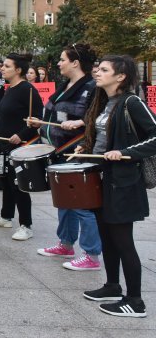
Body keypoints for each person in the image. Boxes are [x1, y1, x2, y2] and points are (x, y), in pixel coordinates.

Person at [72, 55, 155, 317]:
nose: (97, 73)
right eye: (97, 68)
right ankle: (112, 285)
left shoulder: (132, 102)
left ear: (121, 76)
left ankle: (135, 301)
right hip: (103, 179)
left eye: (104, 70)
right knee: (107, 237)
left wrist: (125, 151)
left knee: (123, 241)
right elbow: (103, 140)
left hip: (124, 183)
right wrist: (86, 149)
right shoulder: (106, 102)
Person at [27, 44, 100, 271]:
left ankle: (92, 254)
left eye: (62, 59)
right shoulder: (64, 86)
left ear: (75, 63)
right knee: (64, 200)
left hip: (77, 150)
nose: (59, 63)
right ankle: (66, 243)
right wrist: (39, 123)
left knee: (81, 203)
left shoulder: (91, 87)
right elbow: (51, 113)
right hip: (59, 150)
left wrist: (81, 122)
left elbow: (99, 117)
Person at [0, 53, 44, 241]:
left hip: (19, 145)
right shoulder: (10, 88)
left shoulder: (28, 90)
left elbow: (36, 119)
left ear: (18, 70)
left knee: (19, 186)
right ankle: (6, 216)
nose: (2, 69)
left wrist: (21, 135)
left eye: (7, 66)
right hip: (3, 142)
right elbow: (3, 111)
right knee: (6, 182)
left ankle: (26, 225)